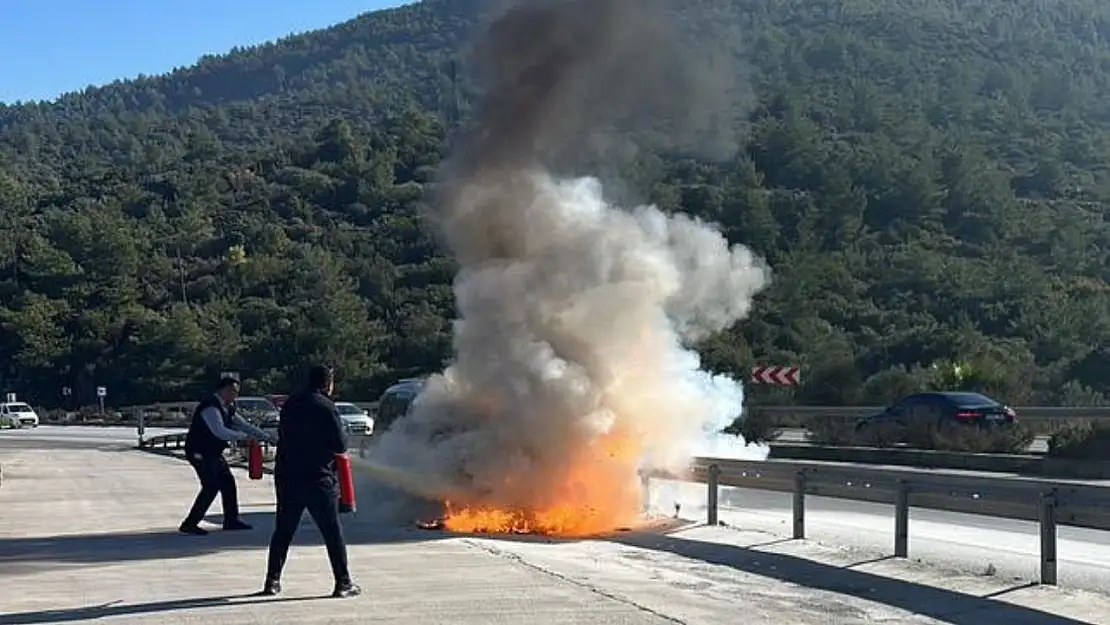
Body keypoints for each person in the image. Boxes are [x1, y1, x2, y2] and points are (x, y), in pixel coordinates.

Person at [261, 365, 360, 598]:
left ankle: (272, 581)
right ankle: (343, 582)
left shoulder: (291, 404)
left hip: (287, 476)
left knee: (283, 531)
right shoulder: (326, 407)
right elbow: (340, 445)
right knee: (332, 532)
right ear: (328, 383)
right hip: (318, 477)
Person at [179, 376, 275, 535]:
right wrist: (244, 437)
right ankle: (190, 523)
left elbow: (243, 425)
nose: (234, 395)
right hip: (199, 451)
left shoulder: (228, 407)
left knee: (228, 483)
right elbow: (220, 431)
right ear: (222, 390)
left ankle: (231, 520)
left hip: (213, 452)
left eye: (236, 392)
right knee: (211, 486)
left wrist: (265, 436)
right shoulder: (210, 406)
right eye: (231, 391)